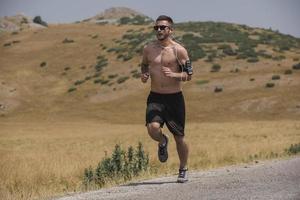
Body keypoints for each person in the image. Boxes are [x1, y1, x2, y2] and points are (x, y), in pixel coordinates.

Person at [140, 15, 193, 183]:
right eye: (157, 28)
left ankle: (183, 168)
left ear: (170, 30)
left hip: (174, 98)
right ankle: (163, 141)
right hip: (155, 96)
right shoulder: (148, 49)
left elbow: (189, 75)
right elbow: (144, 64)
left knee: (179, 137)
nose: (159, 30)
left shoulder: (179, 50)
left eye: (163, 27)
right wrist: (144, 73)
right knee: (152, 128)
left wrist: (175, 74)